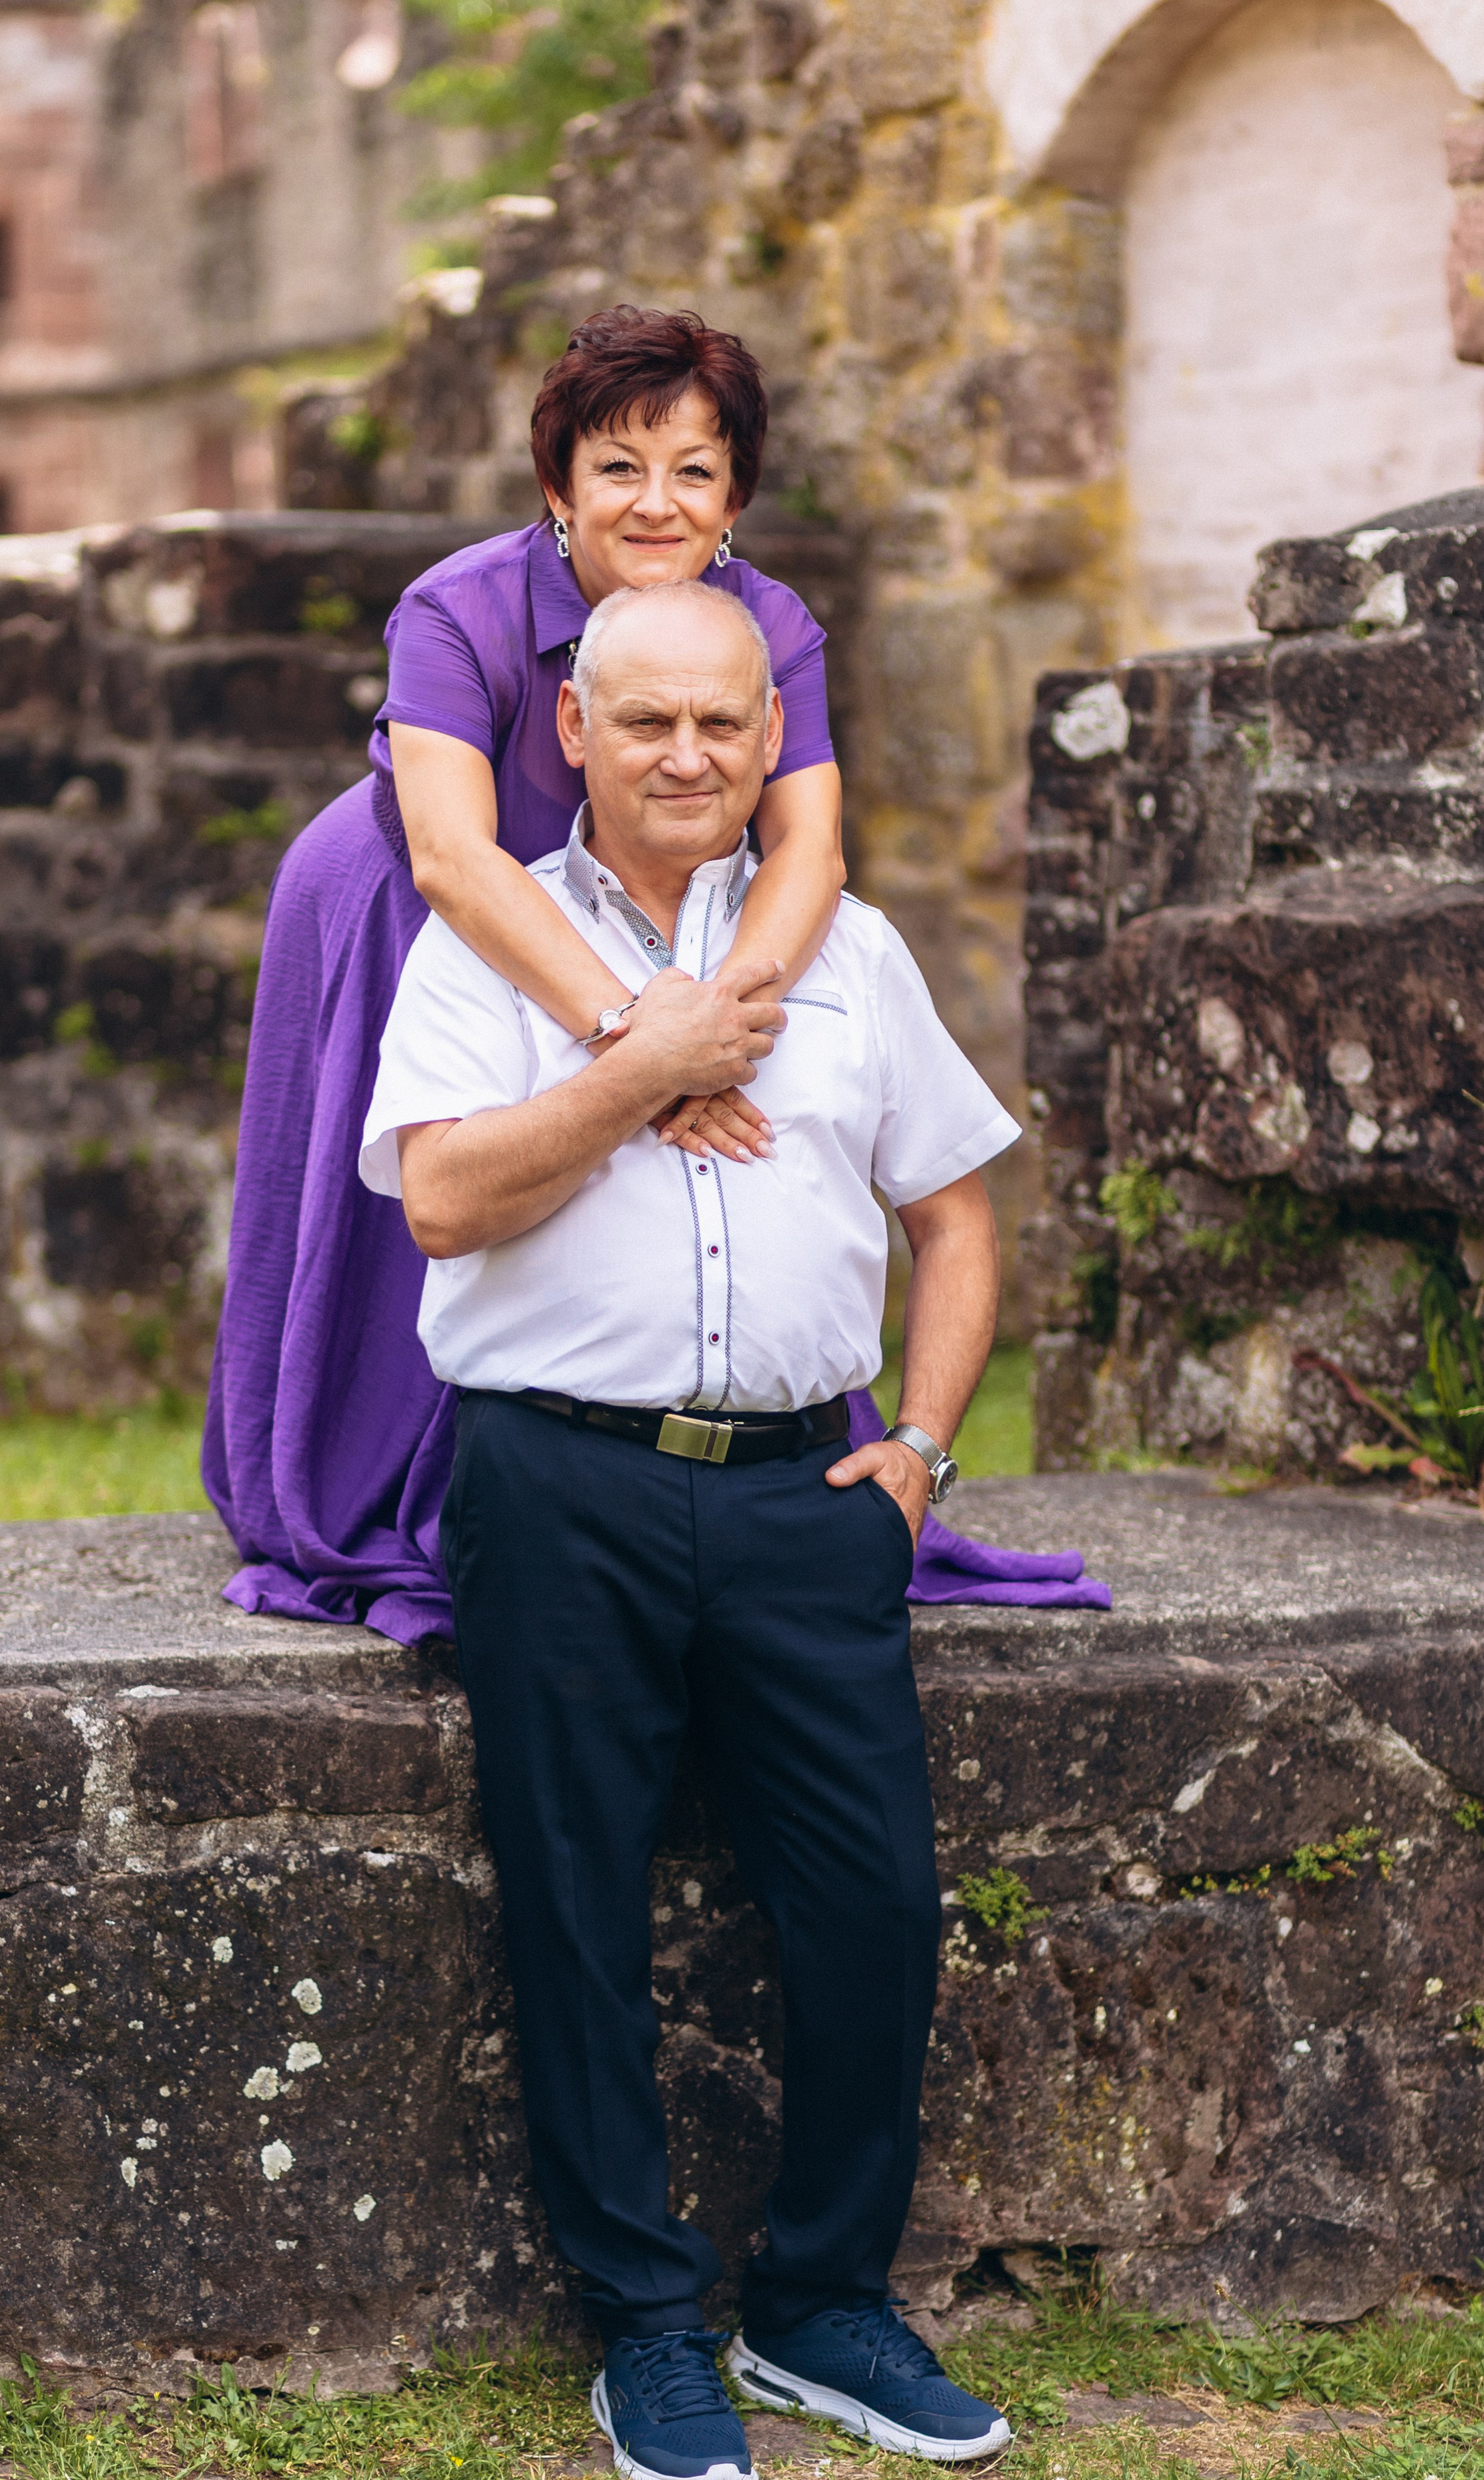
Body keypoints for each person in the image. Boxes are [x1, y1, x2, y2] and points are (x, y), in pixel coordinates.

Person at [358, 577, 1017, 2480]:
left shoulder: (856, 951)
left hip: (808, 1494)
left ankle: (818, 2303)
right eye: (646, 721)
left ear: (769, 741)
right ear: (570, 725)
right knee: (579, 1905)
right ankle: (645, 2323)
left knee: (877, 1900)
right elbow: (444, 1203)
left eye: (725, 726)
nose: (687, 757)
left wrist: (923, 1448)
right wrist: (637, 1071)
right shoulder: (488, 946)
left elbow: (959, 1220)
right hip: (563, 1486)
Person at [203, 302, 1110, 1637]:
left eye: (692, 468)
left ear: (734, 488)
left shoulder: (768, 620)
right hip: (411, 895)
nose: (656, 500)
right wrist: (643, 1039)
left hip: (647, 910)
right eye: (619, 466)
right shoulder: (457, 610)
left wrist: (723, 1025)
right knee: (435, 1169)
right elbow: (455, 855)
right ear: (557, 481)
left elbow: (806, 852)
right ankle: (386, 1475)